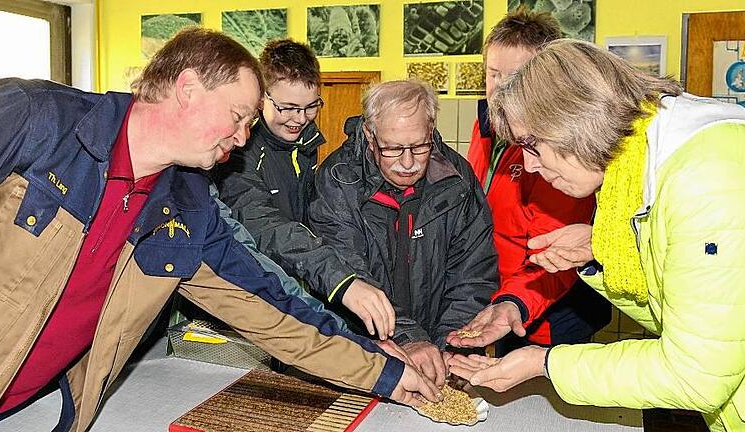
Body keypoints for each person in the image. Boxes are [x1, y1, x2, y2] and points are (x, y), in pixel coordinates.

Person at [0, 28, 440, 431]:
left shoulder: (189, 208)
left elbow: (273, 307)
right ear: (188, 87)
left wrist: (381, 371)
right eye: (238, 116)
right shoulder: (33, 118)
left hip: (33, 408)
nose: (242, 137)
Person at [448, 38, 745, 432]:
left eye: (533, 147)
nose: (531, 168)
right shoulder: (630, 161)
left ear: (573, 119)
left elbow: (695, 375)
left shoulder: (705, 178)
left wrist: (544, 364)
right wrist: (595, 250)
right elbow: (675, 314)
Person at [309, 79, 498, 389]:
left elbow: (473, 274)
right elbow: (349, 275)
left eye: (420, 146)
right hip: (364, 350)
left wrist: (452, 344)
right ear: (370, 134)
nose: (408, 163)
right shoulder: (337, 182)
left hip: (436, 344)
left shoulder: (457, 179)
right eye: (393, 149)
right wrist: (410, 339)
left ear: (432, 128)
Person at [447, 8, 611, 355]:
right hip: (502, 294)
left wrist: (513, 302)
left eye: (516, 76)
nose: (500, 89)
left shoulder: (559, 150)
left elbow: (556, 256)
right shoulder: (485, 128)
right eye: (493, 74)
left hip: (550, 306)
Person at [212, 39, 395, 340]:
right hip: (257, 292)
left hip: (303, 283)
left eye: (311, 106)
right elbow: (270, 228)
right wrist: (340, 281)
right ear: (261, 98)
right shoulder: (239, 156)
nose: (300, 119)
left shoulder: (307, 145)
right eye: (288, 108)